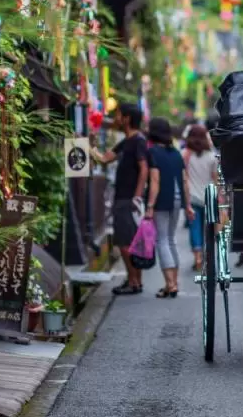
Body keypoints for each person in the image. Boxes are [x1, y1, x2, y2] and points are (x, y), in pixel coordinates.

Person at [90, 102, 150, 295]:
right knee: (129, 242)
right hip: (123, 198)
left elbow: (144, 169)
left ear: (127, 119)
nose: (116, 119)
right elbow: (104, 158)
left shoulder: (138, 140)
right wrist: (86, 146)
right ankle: (134, 281)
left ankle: (134, 282)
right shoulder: (126, 141)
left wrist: (137, 196)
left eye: (118, 115)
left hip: (128, 199)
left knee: (125, 243)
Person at [145, 118, 193, 298]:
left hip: (161, 200)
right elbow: (185, 180)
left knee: (162, 240)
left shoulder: (153, 153)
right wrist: (187, 205)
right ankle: (174, 282)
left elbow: (155, 181)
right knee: (170, 239)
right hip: (177, 199)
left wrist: (150, 206)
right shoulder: (176, 153)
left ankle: (170, 284)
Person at [182, 124, 217, 273]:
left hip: (192, 197)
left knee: (194, 228)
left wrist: (186, 200)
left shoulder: (185, 155)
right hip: (209, 197)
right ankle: (205, 256)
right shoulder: (212, 156)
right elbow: (215, 179)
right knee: (208, 230)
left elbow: (184, 179)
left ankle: (197, 257)